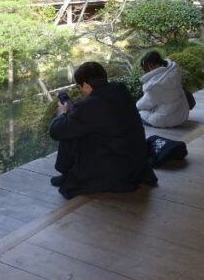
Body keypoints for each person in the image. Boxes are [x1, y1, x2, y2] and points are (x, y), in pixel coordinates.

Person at [49, 62, 158, 199]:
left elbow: (56, 131)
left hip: (117, 169)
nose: (80, 90)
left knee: (68, 130)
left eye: (80, 86)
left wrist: (63, 114)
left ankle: (67, 175)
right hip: (136, 162)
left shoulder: (91, 105)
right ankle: (69, 173)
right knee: (75, 126)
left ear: (86, 85)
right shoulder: (120, 91)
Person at [135, 51, 189, 128]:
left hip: (165, 119)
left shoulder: (156, 84)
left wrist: (136, 106)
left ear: (150, 65)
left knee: (138, 115)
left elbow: (147, 102)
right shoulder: (173, 72)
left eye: (146, 68)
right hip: (180, 115)